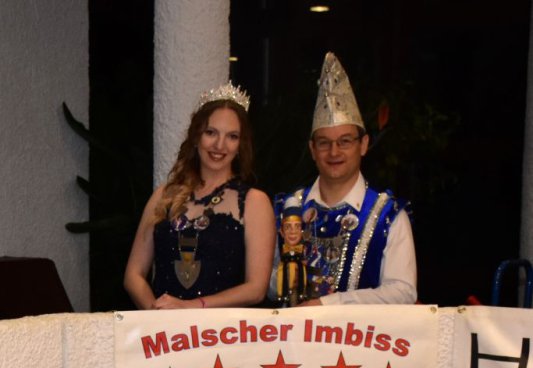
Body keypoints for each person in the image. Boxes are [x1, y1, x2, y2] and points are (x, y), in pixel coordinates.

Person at [272, 52, 417, 306]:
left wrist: (330, 305)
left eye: (345, 141)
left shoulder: (388, 215)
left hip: (363, 333)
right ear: (312, 149)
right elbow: (266, 283)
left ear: (364, 145)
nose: (334, 152)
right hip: (293, 332)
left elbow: (402, 293)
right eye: (324, 143)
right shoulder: (289, 209)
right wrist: (283, 280)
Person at [124, 82, 275, 310]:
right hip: (163, 328)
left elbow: (256, 288)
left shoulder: (254, 202)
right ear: (196, 137)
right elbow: (133, 276)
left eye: (232, 136)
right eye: (211, 133)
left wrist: (192, 307)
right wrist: (157, 316)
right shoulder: (164, 196)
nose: (220, 145)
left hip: (222, 330)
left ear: (240, 145)